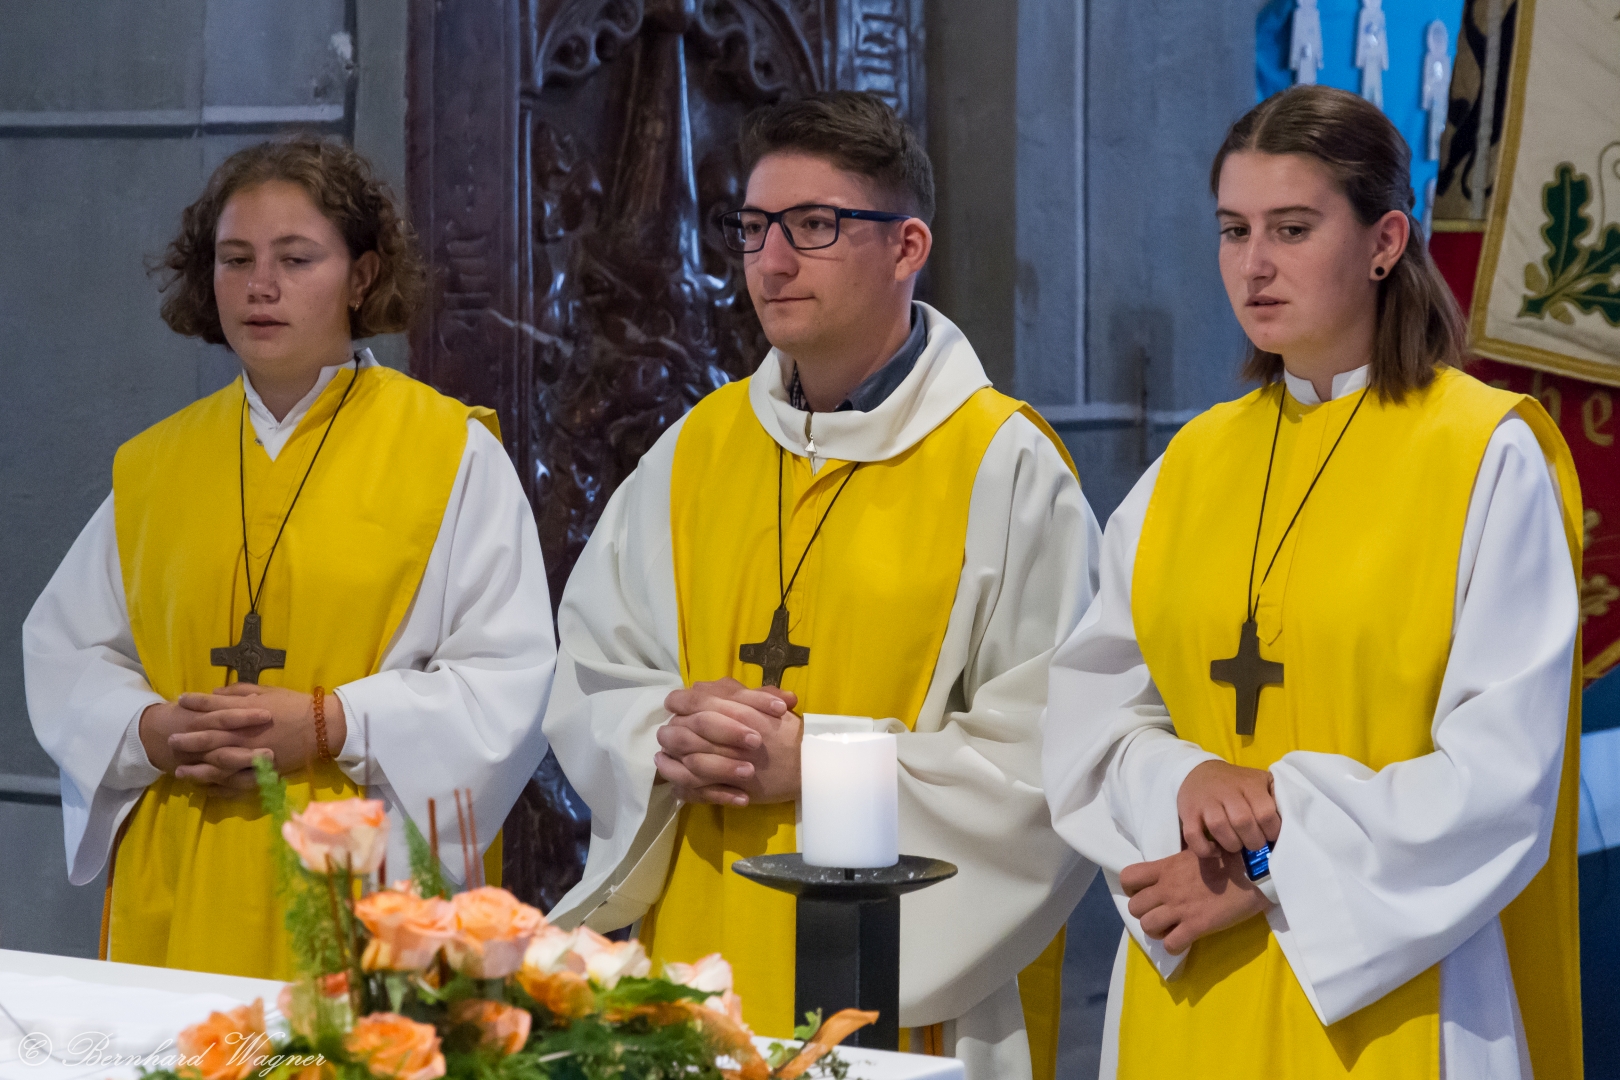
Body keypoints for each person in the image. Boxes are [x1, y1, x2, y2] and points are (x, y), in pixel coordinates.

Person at [542, 91, 1099, 1080]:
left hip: (906, 970)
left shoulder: (1005, 466)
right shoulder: (694, 450)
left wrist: (819, 766)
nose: (771, 261)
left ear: (907, 246)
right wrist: (665, 733)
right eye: (754, 227)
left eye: (814, 226)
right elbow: (593, 673)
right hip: (704, 935)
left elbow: (1054, 755)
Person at [1041, 85, 1582, 1079]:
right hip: (1189, 972)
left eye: (1292, 229)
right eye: (1233, 230)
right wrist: (1185, 782)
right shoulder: (1188, 467)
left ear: (1385, 241)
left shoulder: (1483, 456)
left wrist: (1269, 869)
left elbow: (1504, 773)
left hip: (1400, 978)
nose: (1254, 264)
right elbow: (1089, 716)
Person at [24, 137, 555, 979]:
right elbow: (67, 654)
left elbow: (506, 679)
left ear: (362, 275)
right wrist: (152, 730)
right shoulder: (156, 465)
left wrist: (329, 723)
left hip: (359, 872)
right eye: (235, 259)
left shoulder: (449, 453)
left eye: (296, 258)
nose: (259, 286)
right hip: (184, 865)